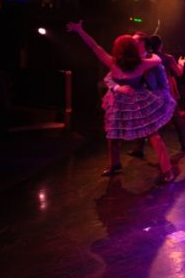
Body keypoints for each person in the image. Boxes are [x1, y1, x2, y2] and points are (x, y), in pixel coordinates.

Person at [66, 22, 176, 182]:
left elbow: (94, 46)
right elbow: (158, 58)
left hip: (136, 101)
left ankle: (167, 170)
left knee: (151, 135)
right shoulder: (140, 63)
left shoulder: (114, 62)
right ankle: (115, 164)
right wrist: (80, 30)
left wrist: (80, 31)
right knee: (113, 134)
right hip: (121, 102)